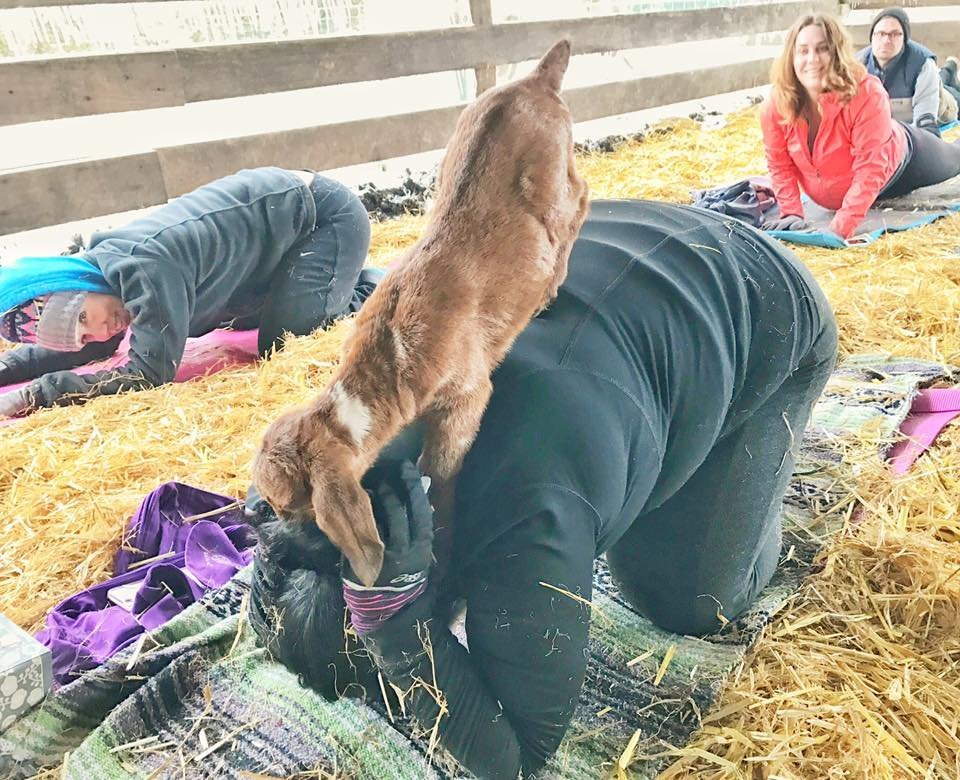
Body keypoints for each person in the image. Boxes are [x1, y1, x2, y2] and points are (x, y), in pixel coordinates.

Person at [247, 198, 838, 779]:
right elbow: (280, 530)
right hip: (618, 247)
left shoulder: (522, 513)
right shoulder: (332, 456)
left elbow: (518, 757)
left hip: (764, 300)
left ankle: (756, 467)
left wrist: (395, 624)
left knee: (690, 602)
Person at [0, 167, 376, 417]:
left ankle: (366, 285)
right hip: (264, 263)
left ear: (76, 285)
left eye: (83, 317)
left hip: (324, 218)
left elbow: (148, 373)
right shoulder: (104, 286)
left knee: (284, 342)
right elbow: (88, 339)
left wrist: (38, 394)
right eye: (83, 334)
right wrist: (8, 369)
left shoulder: (143, 268)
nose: (98, 332)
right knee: (242, 320)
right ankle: (318, 283)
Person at [760, 13, 960, 240]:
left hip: (903, 159)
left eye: (823, 49)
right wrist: (791, 213)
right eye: (803, 51)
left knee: (956, 158)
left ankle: (949, 76)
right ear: (791, 57)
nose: (813, 59)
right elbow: (779, 164)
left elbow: (872, 168)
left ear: (837, 54)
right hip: (853, 179)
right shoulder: (776, 104)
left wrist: (840, 228)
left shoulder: (866, 92)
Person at [856, 7, 958, 135]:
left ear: (905, 38)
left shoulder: (922, 64)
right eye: (881, 33)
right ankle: (949, 68)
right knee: (940, 77)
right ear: (872, 36)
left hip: (941, 109)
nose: (886, 40)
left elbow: (925, 126)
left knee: (948, 92)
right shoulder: (857, 65)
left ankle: (949, 68)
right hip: (894, 124)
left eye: (894, 34)